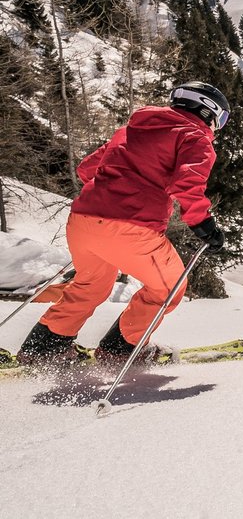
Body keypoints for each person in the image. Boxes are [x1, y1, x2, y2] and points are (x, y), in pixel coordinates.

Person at [16, 82, 230, 368]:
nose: (219, 127)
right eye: (222, 120)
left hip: (83, 222)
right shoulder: (195, 137)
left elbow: (86, 169)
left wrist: (111, 193)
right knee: (168, 287)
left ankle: (44, 348)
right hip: (131, 228)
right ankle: (121, 348)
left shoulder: (133, 129)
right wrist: (204, 225)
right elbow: (187, 184)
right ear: (209, 111)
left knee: (91, 285)